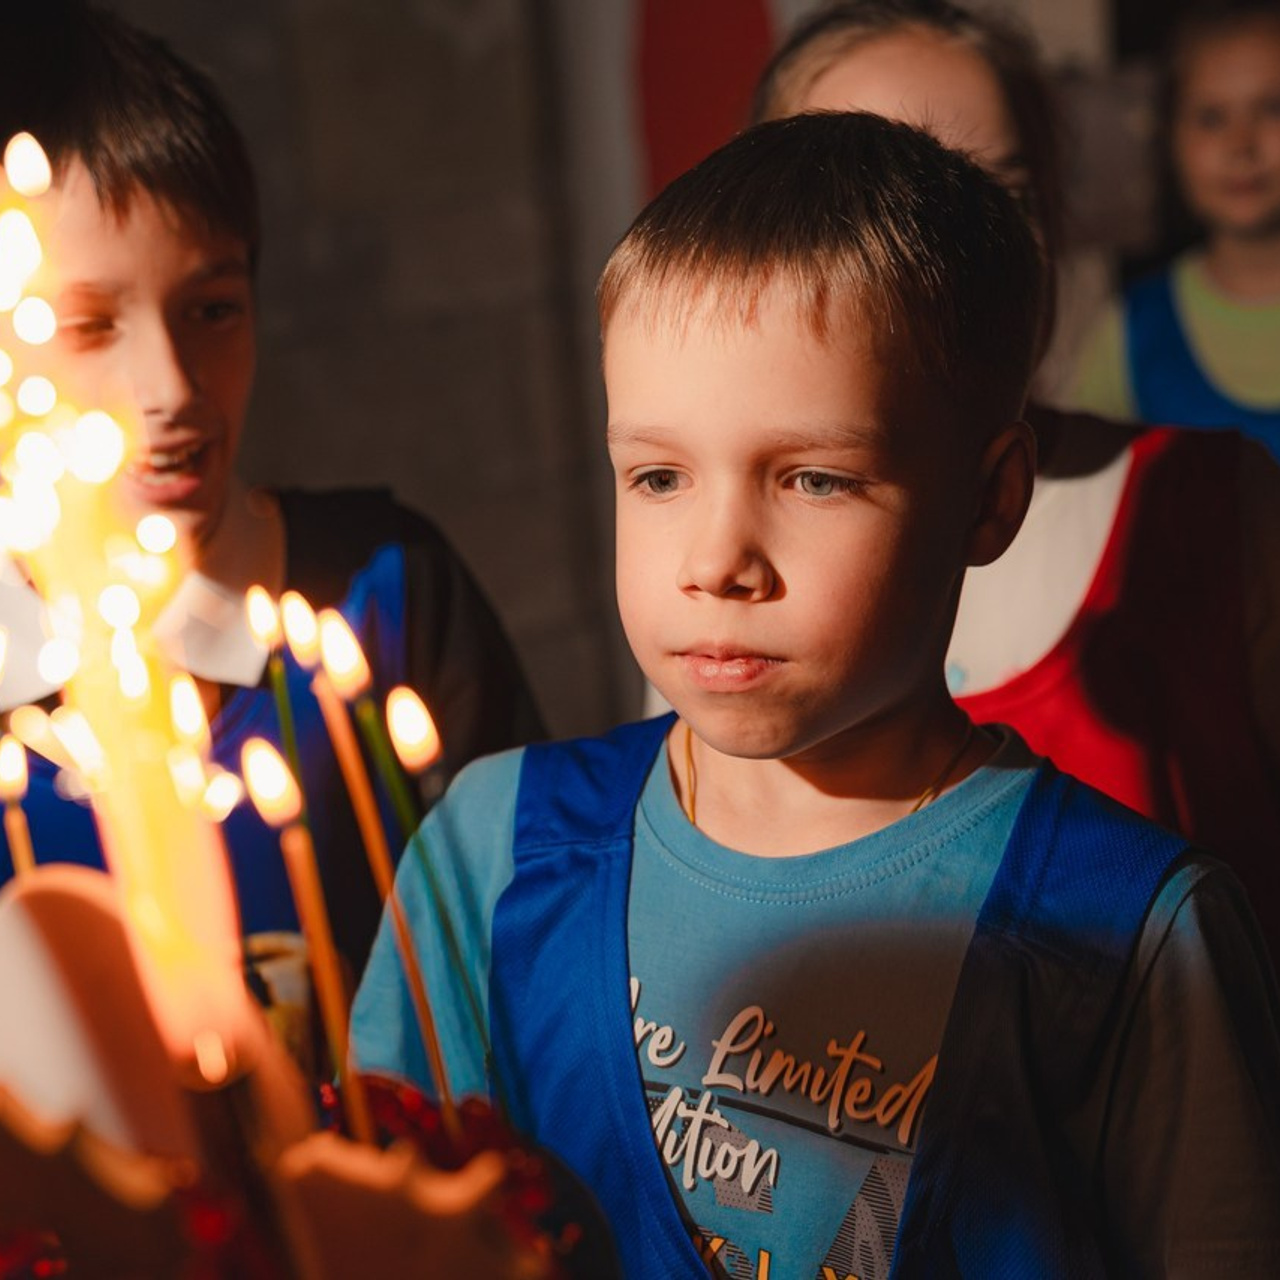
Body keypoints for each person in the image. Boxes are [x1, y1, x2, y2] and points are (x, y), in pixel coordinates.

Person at [353, 111, 1280, 1278]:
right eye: (658, 476)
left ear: (988, 500)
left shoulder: (1127, 935)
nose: (716, 559)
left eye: (812, 478)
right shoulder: (493, 855)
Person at [0, 2, 545, 975]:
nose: (172, 386)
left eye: (212, 309)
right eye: (89, 326)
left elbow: (533, 952)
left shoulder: (383, 596)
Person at [751, 0, 1280, 963]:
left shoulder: (1217, 511)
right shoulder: (724, 558)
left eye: (1004, 197)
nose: (960, 256)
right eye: (872, 205)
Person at [1069, 0, 1280, 457]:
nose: (1241, 145)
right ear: (1171, 140)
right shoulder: (1131, 334)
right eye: (1212, 118)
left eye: (1271, 109)